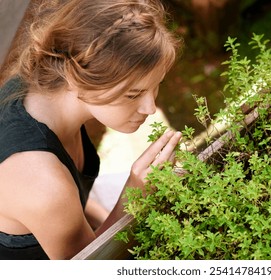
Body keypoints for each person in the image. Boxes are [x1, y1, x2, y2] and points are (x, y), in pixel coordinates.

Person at [0, 0, 182, 260]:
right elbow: (91, 268)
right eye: (133, 94)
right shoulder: (40, 178)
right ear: (78, 80)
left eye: (156, 85)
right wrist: (135, 197)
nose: (151, 107)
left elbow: (71, 207)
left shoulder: (46, 86)